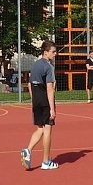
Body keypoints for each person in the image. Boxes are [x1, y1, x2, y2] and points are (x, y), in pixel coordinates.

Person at [20, 41, 58, 170]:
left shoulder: (35, 65)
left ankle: (28, 150)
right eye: (53, 51)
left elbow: (30, 84)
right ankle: (46, 162)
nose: (55, 54)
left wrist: (34, 100)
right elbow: (50, 89)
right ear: (45, 52)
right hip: (45, 100)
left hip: (36, 100)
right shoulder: (49, 67)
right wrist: (52, 109)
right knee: (47, 129)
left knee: (40, 128)